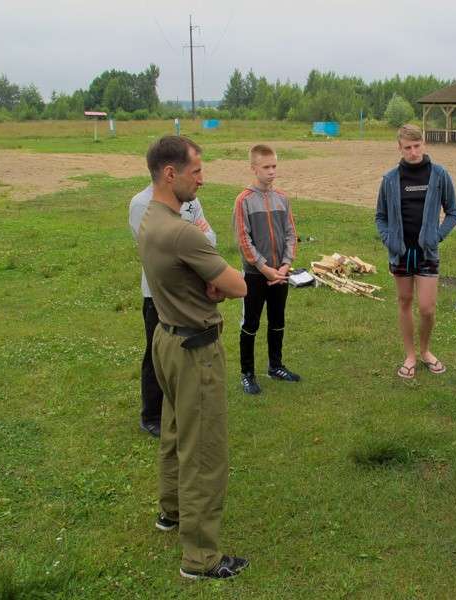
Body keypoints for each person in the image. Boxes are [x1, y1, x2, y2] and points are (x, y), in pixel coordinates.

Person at [137, 135, 249, 580]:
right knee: (203, 450)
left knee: (173, 432)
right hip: (193, 350)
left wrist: (209, 282)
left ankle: (171, 512)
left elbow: (200, 278)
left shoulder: (150, 217)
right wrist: (217, 281)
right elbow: (239, 285)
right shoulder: (183, 232)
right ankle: (200, 558)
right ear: (171, 173)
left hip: (164, 337)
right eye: (196, 171)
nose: (202, 179)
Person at [129, 185, 217, 437]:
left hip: (190, 290)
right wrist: (192, 240)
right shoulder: (141, 203)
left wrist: (190, 243)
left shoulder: (190, 200)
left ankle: (182, 405)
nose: (198, 179)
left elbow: (210, 238)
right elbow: (155, 249)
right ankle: (152, 415)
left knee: (187, 348)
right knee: (156, 352)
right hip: (158, 294)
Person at [374, 124, 456, 379]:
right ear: (399, 149)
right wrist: (389, 239)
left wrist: (437, 235)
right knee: (404, 302)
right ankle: (410, 355)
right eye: (407, 148)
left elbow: (453, 212)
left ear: (424, 144)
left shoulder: (439, 175)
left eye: (417, 146)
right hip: (400, 252)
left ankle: (426, 351)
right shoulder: (390, 179)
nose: (413, 152)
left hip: (427, 253)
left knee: (426, 308)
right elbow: (380, 216)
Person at [232, 144, 299, 395]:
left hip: (280, 273)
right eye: (266, 167)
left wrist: (285, 264)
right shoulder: (244, 201)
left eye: (274, 166)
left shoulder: (283, 198)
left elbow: (291, 233)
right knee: (250, 323)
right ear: (253, 168)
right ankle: (247, 373)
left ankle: (276, 365)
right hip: (255, 275)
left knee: (277, 320)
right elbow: (243, 239)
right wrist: (264, 268)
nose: (272, 171)